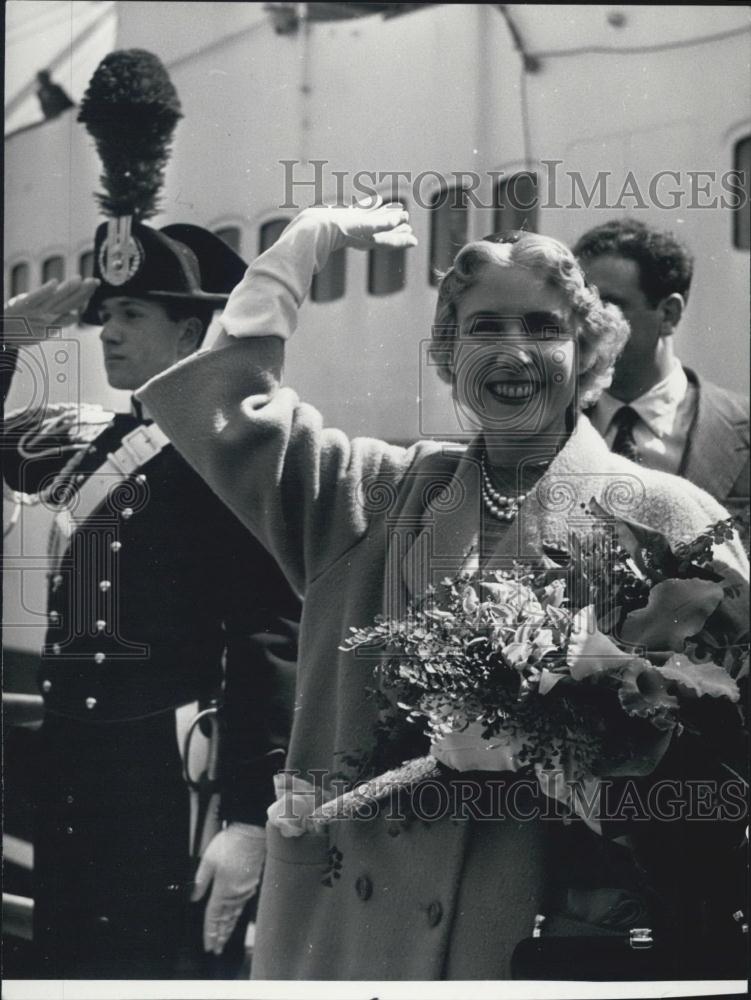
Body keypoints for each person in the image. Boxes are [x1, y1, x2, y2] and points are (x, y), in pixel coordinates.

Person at [139, 201, 748, 980]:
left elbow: (726, 773)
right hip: (352, 949)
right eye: (483, 328)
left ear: (588, 346)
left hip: (536, 939)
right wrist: (292, 258)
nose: (513, 352)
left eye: (542, 326)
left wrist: (556, 761)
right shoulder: (370, 498)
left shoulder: (670, 517)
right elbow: (224, 416)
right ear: (447, 352)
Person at [2, 221, 300, 979]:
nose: (108, 332)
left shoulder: (234, 455)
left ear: (192, 331)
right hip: (74, 773)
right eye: (106, 315)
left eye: (134, 315)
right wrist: (6, 341)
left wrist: (246, 817)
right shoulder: (95, 444)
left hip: (168, 789)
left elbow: (268, 635)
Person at [573, 219, 749, 524]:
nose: (587, 322)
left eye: (608, 304)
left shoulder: (741, 430)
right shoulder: (550, 424)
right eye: (581, 304)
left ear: (668, 314)